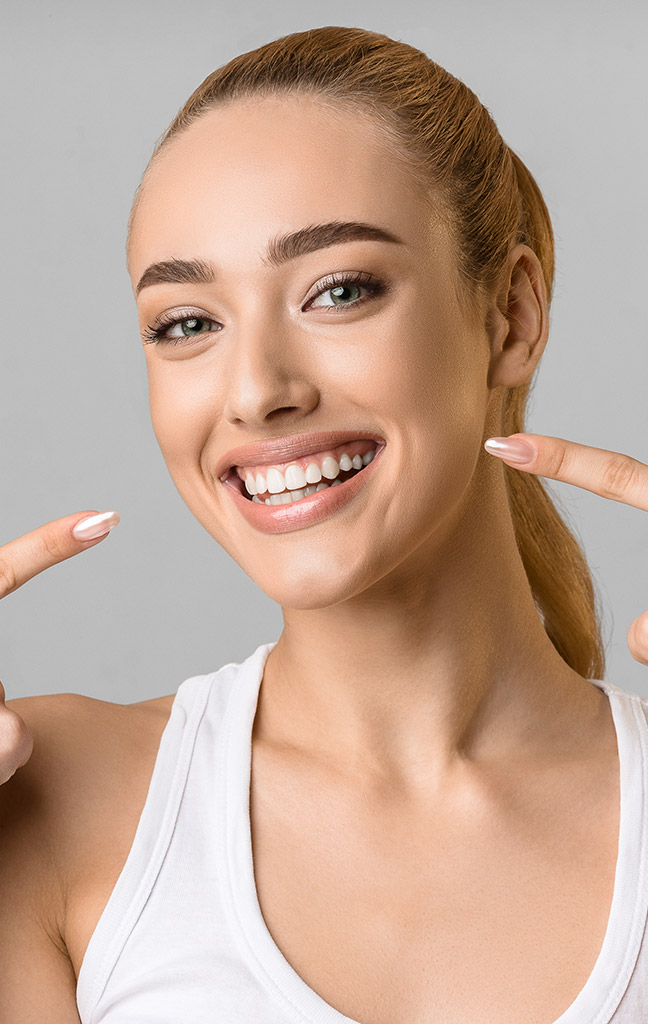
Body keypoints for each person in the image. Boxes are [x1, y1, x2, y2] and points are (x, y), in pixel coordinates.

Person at [1, 24, 647, 1024]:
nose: (256, 390)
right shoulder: (49, 807)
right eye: (188, 323)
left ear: (510, 318)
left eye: (337, 290)